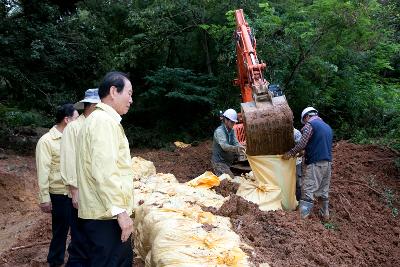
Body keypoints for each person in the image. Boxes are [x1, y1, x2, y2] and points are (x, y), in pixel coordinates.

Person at [76, 71, 134, 266]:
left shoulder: (97, 120)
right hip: (106, 215)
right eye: (129, 93)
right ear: (113, 91)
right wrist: (121, 212)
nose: (131, 100)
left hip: (100, 211)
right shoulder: (103, 122)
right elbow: (104, 171)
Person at [60, 88, 100, 266]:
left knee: (94, 239)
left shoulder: (99, 126)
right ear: (92, 105)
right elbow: (68, 160)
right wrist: (74, 190)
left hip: (96, 194)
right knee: (80, 241)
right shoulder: (74, 128)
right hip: (81, 194)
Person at [36, 103, 79, 267]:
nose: (79, 121)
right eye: (76, 118)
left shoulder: (74, 138)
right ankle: (55, 262)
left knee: (77, 230)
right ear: (67, 120)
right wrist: (44, 198)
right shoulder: (46, 141)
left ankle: (75, 261)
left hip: (75, 192)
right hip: (59, 193)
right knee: (60, 232)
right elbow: (43, 171)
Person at [282, 107, 333, 219]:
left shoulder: (310, 125)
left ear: (306, 117)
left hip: (315, 163)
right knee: (323, 191)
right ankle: (325, 215)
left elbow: (302, 143)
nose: (304, 123)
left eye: (304, 121)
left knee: (307, 189)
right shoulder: (327, 127)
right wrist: (303, 153)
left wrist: (290, 153)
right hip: (327, 164)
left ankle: (302, 218)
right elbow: (317, 146)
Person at [211, 108, 245, 177]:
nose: (233, 124)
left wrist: (240, 147)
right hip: (219, 162)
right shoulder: (220, 131)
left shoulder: (231, 130)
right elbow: (225, 147)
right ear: (226, 120)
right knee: (230, 179)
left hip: (227, 161)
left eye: (234, 122)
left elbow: (235, 142)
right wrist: (237, 148)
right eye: (232, 122)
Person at [293, 128, 302, 201]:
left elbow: (301, 147)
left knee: (298, 182)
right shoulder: (280, 133)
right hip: (285, 163)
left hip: (296, 161)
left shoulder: (296, 133)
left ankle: (298, 200)